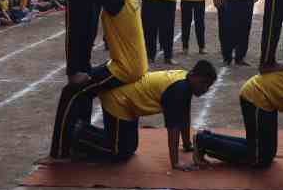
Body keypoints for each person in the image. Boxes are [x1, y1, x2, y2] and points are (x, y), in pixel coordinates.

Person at [43, 0, 148, 162]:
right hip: (131, 65)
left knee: (72, 91)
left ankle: (59, 152)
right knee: (85, 89)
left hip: (125, 69)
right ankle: (81, 137)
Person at [69, 62, 217, 167]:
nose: (205, 89)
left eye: (208, 86)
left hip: (130, 104)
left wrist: (187, 144)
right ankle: (79, 134)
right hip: (118, 100)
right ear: (193, 75)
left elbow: (184, 118)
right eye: (203, 83)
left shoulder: (185, 82)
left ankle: (85, 132)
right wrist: (175, 163)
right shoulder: (179, 90)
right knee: (119, 153)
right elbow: (173, 128)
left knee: (131, 147)